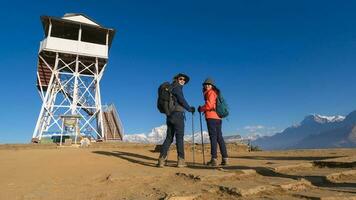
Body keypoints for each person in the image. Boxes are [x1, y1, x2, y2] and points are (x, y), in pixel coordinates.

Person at [157, 73, 195, 168]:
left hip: (169, 116)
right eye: (181, 79)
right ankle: (181, 160)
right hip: (178, 115)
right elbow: (181, 100)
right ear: (177, 79)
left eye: (184, 80)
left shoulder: (170, 88)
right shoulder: (177, 88)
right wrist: (189, 109)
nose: (183, 81)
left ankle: (161, 159)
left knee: (169, 138)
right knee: (179, 137)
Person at [198, 78, 229, 166]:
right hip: (218, 118)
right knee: (219, 137)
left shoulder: (210, 92)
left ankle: (214, 159)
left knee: (213, 137)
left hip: (211, 117)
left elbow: (210, 105)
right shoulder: (216, 93)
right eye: (206, 84)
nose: (207, 86)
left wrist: (201, 108)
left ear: (212, 86)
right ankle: (225, 158)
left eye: (209, 84)